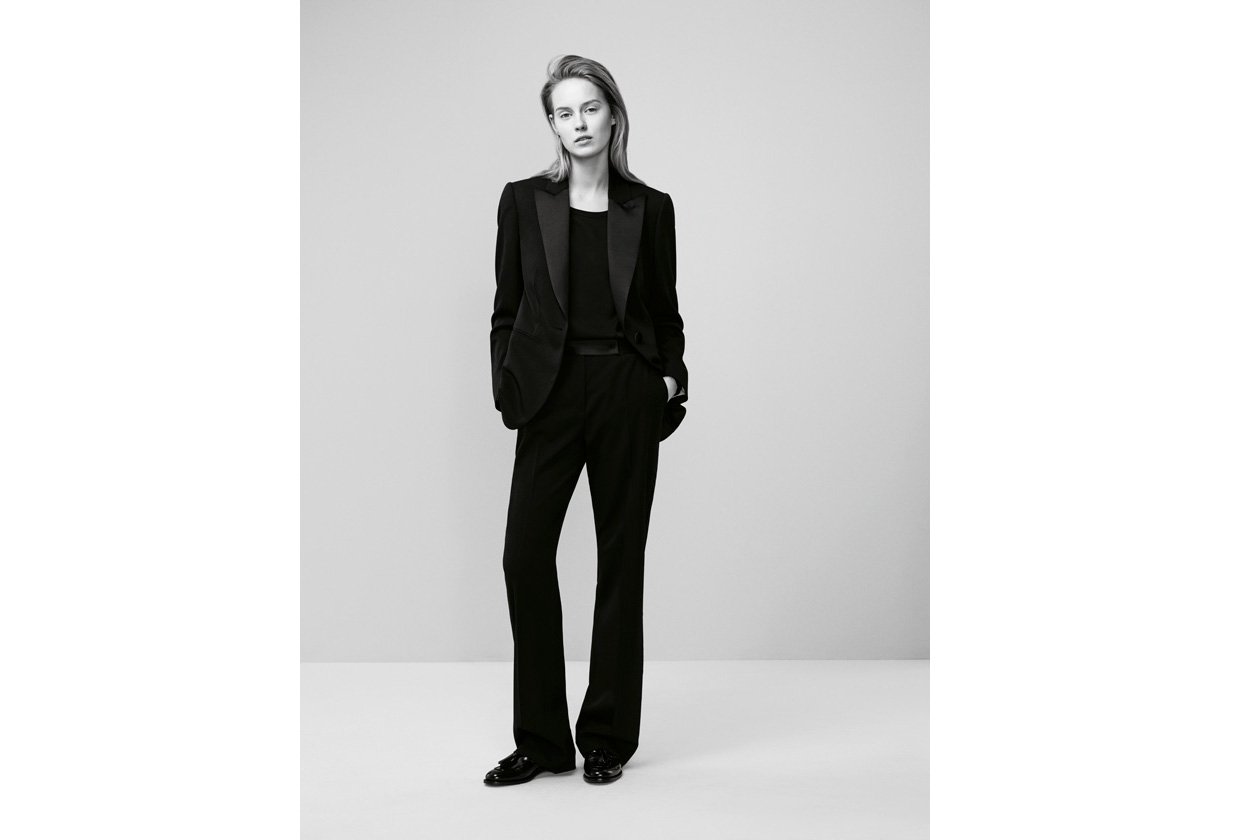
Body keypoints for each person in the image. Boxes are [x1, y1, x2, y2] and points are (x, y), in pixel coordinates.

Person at [483, 54, 689, 786]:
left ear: (613, 115)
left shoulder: (651, 207)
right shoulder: (523, 201)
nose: (578, 123)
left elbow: (665, 311)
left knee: (619, 562)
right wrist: (508, 386)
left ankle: (606, 737)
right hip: (549, 392)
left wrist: (669, 377)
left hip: (625, 390)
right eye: (563, 112)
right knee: (524, 556)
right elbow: (506, 309)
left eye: (590, 108)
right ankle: (542, 741)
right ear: (552, 124)